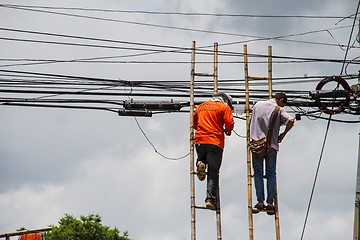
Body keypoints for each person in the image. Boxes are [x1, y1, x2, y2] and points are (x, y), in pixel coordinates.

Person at [249, 92, 294, 213]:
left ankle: (260, 202)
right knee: (270, 174)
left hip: (257, 145)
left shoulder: (257, 105)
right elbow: (291, 120)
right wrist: (283, 135)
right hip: (272, 145)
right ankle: (270, 203)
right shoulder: (278, 109)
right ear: (281, 100)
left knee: (257, 173)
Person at [194, 92, 235, 209]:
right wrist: (227, 130)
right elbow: (229, 125)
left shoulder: (201, 106)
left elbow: (195, 124)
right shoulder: (224, 108)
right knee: (213, 172)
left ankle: (200, 162)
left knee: (202, 155)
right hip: (215, 142)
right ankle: (210, 200)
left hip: (200, 141)